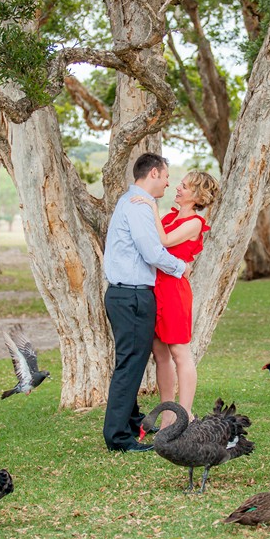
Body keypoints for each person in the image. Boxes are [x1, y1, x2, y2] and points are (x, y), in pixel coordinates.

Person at [103, 153, 188, 453]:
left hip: (126, 294)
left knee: (133, 363)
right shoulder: (137, 207)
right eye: (166, 176)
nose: (168, 182)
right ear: (153, 173)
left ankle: (130, 423)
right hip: (132, 295)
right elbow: (152, 252)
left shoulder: (133, 202)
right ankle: (118, 438)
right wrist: (180, 267)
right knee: (129, 365)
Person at [131, 170, 219, 428]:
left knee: (180, 352)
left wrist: (151, 206)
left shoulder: (194, 223)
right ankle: (168, 412)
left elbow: (163, 240)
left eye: (184, 186)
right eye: (180, 184)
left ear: (197, 195)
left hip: (174, 292)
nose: (178, 188)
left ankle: (186, 413)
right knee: (160, 353)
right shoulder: (170, 216)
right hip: (155, 289)